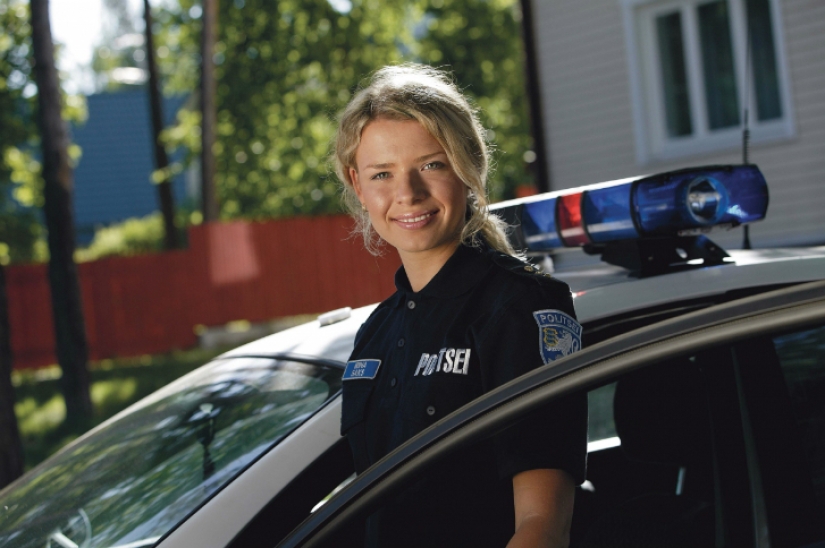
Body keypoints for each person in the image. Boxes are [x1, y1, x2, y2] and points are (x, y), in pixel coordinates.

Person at [334, 64, 587, 548]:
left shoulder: (521, 308)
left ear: (467, 166)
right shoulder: (376, 332)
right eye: (382, 174)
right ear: (358, 184)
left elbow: (542, 528)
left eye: (431, 165)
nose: (407, 194)